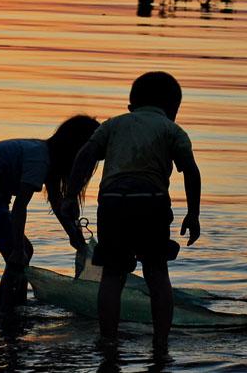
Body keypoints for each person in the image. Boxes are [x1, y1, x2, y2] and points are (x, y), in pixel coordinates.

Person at [63, 71, 202, 348]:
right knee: (156, 272)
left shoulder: (113, 125)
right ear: (173, 110)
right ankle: (160, 344)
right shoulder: (171, 129)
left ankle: (108, 342)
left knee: (113, 275)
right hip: (152, 201)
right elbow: (191, 172)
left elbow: (85, 155)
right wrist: (193, 214)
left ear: (131, 106)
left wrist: (69, 196)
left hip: (113, 202)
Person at [0, 114, 100, 313]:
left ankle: (16, 307)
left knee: (23, 252)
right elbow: (20, 206)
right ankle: (8, 311)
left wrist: (73, 235)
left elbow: (57, 202)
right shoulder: (39, 159)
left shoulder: (46, 157)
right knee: (19, 255)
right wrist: (17, 248)